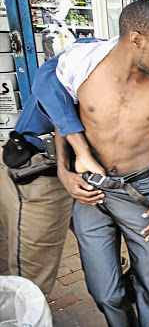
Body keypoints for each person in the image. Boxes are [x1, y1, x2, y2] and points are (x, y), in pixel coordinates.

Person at [55, 1, 149, 326]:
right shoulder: (80, 65)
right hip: (90, 192)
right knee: (105, 292)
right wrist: (63, 170)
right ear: (136, 39)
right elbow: (61, 118)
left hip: (139, 191)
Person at [0, 52, 104, 297]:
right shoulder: (90, 56)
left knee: (103, 243)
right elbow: (47, 78)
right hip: (39, 172)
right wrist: (67, 164)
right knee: (31, 281)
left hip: (81, 174)